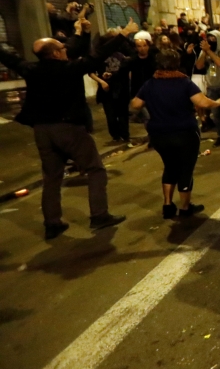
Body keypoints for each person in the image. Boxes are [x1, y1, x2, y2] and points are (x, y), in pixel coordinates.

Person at [0, 16, 138, 238]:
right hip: (68, 129)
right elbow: (98, 55)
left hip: (42, 131)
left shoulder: (31, 68)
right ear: (55, 53)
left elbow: (8, 57)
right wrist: (123, 34)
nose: (66, 48)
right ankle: (99, 215)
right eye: (61, 47)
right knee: (94, 169)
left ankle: (52, 222)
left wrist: (79, 33)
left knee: (52, 177)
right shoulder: (70, 69)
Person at [132, 48, 220, 219]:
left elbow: (136, 105)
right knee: (185, 170)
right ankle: (185, 207)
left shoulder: (150, 83)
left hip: (159, 133)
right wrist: (217, 102)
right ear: (177, 64)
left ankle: (167, 205)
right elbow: (202, 102)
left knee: (170, 166)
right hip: (184, 132)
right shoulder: (184, 83)